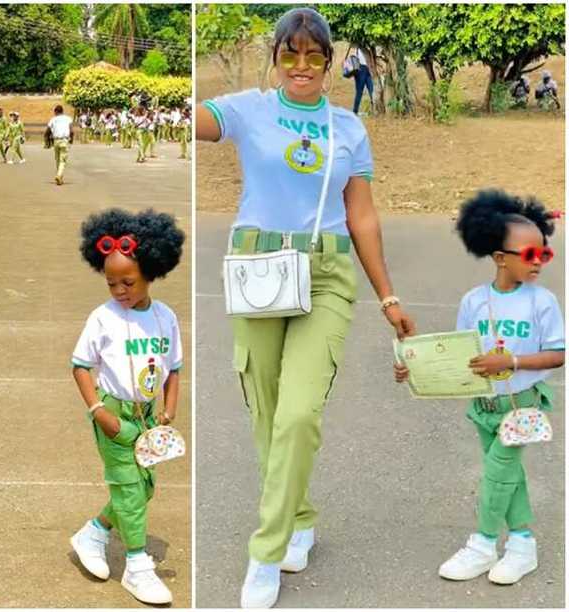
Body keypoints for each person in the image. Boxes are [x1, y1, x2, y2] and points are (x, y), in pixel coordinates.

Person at [195, 7, 416, 608]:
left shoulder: (348, 127)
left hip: (326, 274)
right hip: (258, 269)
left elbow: (363, 215)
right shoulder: (248, 109)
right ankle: (301, 515)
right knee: (266, 413)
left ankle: (265, 553)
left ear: (329, 62)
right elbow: (193, 122)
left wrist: (388, 295)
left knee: (297, 413)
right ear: (275, 59)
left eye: (314, 55)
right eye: (289, 54)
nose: (301, 65)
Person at [392, 191, 563, 587]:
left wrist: (514, 362)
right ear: (500, 257)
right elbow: (456, 355)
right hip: (483, 405)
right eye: (529, 254)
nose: (538, 262)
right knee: (509, 477)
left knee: (497, 474)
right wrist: (412, 369)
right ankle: (522, 545)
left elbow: (558, 354)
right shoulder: (474, 301)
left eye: (544, 254)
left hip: (522, 405)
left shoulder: (543, 302)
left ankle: (483, 543)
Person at [69, 209, 185, 606]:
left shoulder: (165, 317)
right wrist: (99, 412)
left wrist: (169, 411)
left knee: (144, 487)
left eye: (128, 282)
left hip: (150, 416)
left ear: (152, 271)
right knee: (130, 491)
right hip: (114, 416)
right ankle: (137, 566)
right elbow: (81, 365)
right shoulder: (102, 319)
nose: (119, 290)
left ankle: (95, 532)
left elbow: (175, 370)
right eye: (111, 282)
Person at [47, 104, 73, 185]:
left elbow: (47, 130)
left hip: (56, 141)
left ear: (56, 112)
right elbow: (71, 131)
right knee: (63, 160)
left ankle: (60, 177)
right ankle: (59, 175)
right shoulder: (68, 119)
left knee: (57, 159)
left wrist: (47, 140)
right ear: (62, 111)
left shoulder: (53, 119)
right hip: (64, 141)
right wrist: (71, 139)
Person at [350, 46, 373, 114]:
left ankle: (375, 109)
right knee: (359, 92)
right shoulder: (360, 46)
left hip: (369, 69)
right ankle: (355, 111)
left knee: (372, 90)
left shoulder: (368, 46)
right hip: (361, 69)